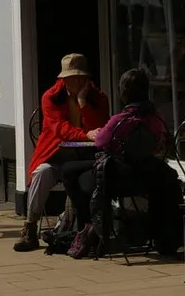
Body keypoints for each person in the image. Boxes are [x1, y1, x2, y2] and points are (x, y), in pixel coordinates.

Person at [61, 68, 173, 256]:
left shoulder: (121, 119)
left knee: (69, 171)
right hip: (150, 173)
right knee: (73, 170)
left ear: (124, 93)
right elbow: (160, 143)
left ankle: (87, 226)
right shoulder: (156, 117)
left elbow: (100, 142)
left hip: (119, 178)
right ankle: (87, 228)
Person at [15, 54, 110, 251]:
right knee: (41, 173)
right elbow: (60, 129)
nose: (76, 82)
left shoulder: (98, 98)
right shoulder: (50, 98)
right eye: (70, 78)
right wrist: (86, 135)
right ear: (63, 79)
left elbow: (100, 127)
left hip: (86, 159)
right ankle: (30, 226)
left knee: (91, 178)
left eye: (80, 77)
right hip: (57, 155)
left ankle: (84, 227)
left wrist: (83, 102)